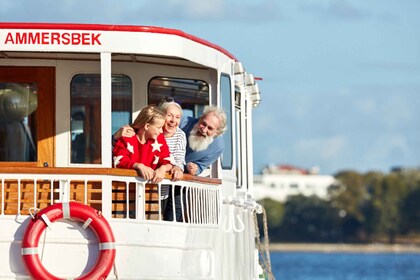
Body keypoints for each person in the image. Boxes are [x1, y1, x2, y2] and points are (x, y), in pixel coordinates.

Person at [112, 105, 173, 184]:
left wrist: (163, 168)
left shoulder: (159, 139)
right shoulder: (127, 137)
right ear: (147, 126)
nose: (161, 131)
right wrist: (138, 166)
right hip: (123, 190)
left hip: (149, 190)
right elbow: (119, 161)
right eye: (159, 127)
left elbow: (168, 161)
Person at [181, 105, 227, 176]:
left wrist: (194, 169)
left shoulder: (218, 147)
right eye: (203, 124)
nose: (204, 130)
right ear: (200, 119)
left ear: (217, 133)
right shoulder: (182, 122)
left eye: (210, 128)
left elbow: (200, 166)